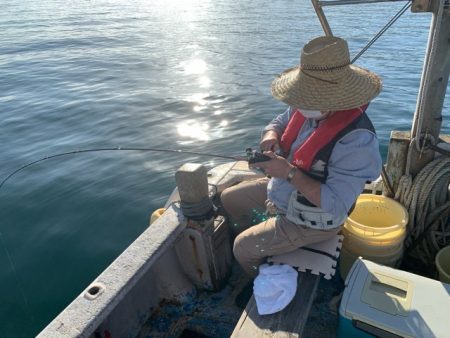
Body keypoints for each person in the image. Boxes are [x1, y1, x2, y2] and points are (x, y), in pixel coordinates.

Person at [221, 36, 383, 277]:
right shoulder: (305, 103)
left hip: (312, 219)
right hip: (281, 192)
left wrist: (288, 172)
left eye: (313, 97)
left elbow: (336, 206)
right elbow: (279, 121)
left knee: (242, 248)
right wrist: (270, 135)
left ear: (338, 97)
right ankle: (265, 242)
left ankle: (258, 279)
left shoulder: (357, 141)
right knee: (228, 199)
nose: (303, 104)